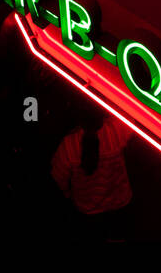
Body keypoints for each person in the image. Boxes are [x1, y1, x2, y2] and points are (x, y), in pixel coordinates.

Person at [51, 102, 132, 239]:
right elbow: (131, 112)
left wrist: (68, 194)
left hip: (88, 211)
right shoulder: (116, 129)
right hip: (119, 204)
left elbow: (58, 177)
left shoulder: (68, 145)